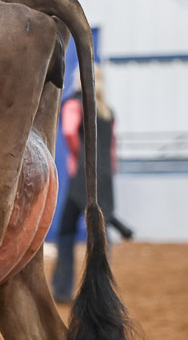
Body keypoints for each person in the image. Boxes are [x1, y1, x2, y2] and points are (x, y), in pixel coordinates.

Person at [51, 67, 131, 303]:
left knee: (66, 230)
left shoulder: (74, 105)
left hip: (83, 176)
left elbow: (68, 131)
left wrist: (78, 156)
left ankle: (63, 288)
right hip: (104, 177)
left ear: (79, 80)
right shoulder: (108, 112)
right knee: (100, 234)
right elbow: (112, 147)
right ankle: (102, 291)